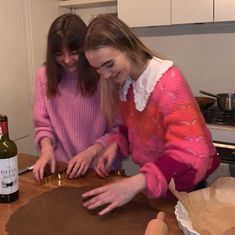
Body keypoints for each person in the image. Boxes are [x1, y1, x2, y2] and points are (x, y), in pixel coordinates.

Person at [82, 14, 220, 215]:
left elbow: (192, 153)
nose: (105, 75)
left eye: (109, 64)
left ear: (127, 46)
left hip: (185, 188)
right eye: (97, 69)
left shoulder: (168, 82)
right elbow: (133, 126)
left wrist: (135, 182)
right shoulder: (128, 84)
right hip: (158, 185)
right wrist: (116, 144)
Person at [33, 13, 120, 181]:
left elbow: (118, 130)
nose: (67, 60)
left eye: (74, 52)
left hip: (101, 169)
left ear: (85, 47)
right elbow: (43, 126)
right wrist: (47, 149)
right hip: (63, 169)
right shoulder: (44, 76)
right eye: (59, 54)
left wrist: (92, 152)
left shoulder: (104, 74)